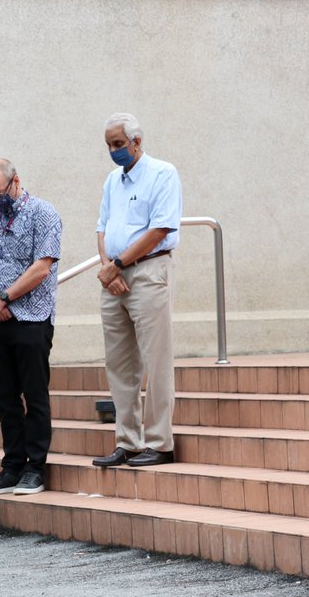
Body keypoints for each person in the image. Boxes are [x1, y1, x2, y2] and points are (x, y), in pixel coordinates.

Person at [92, 113, 183, 468]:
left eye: (119, 144)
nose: (114, 151)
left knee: (156, 360)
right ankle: (127, 442)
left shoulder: (163, 173)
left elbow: (160, 227)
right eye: (109, 145)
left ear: (137, 142)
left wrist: (119, 264)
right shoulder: (113, 180)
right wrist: (107, 268)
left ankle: (160, 443)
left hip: (148, 272)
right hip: (113, 276)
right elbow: (102, 228)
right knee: (119, 364)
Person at [0, 159, 62, 497]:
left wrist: (5, 298)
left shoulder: (44, 213)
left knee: (34, 396)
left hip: (33, 319)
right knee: (4, 398)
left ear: (15, 181)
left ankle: (34, 469)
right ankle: (11, 467)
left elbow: (42, 267)